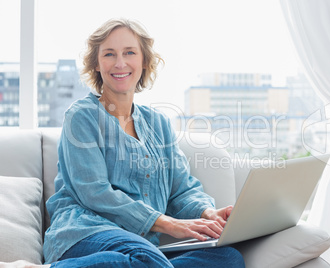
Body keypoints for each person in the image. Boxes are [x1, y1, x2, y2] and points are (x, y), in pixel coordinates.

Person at [0, 18, 244, 268]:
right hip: (85, 233)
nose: (120, 63)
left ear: (144, 61)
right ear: (96, 64)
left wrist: (208, 213)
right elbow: (95, 193)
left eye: (129, 52)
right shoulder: (81, 117)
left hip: (141, 246)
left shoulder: (158, 123)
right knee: (146, 259)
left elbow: (181, 189)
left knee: (227, 258)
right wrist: (169, 224)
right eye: (109, 54)